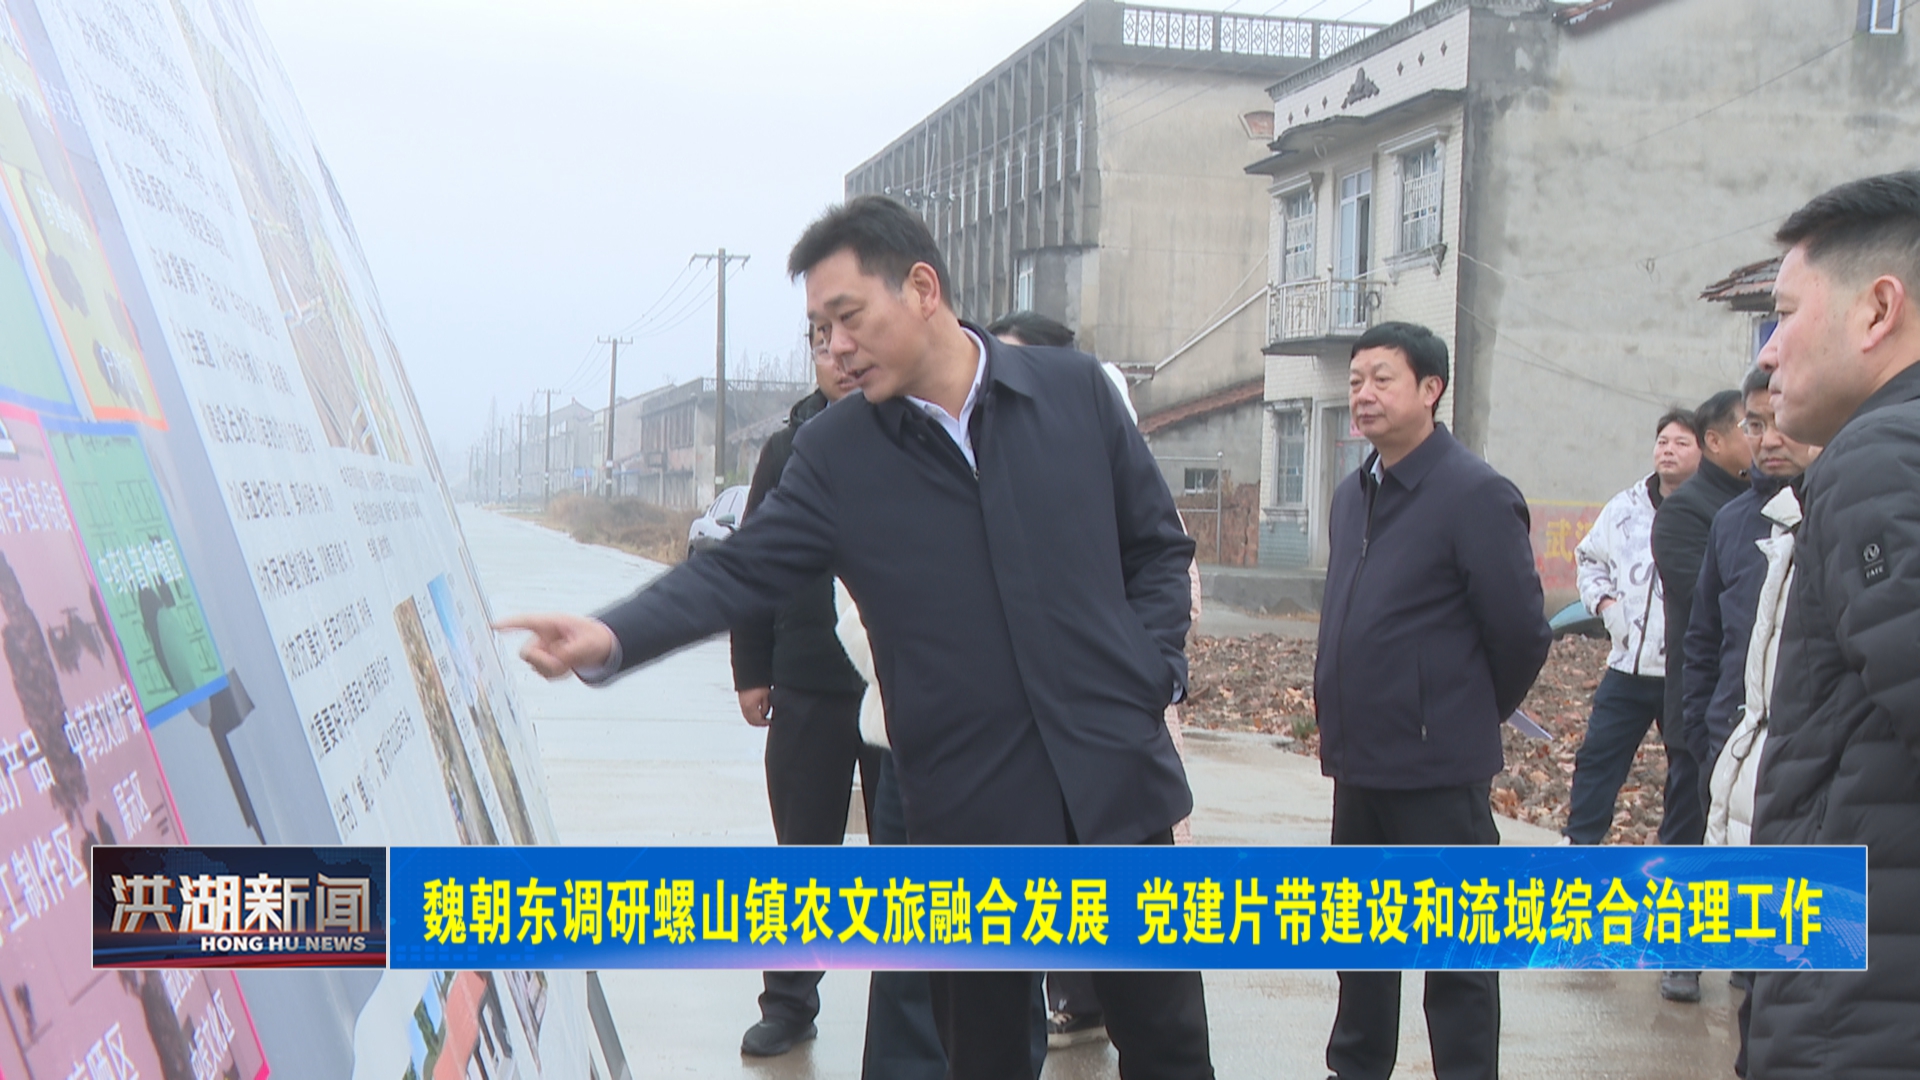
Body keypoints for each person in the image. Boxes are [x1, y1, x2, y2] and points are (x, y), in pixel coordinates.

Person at [499, 195, 1214, 1079]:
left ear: (922, 288)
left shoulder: (1074, 395)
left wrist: (1150, 674)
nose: (834, 347)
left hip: (1118, 796)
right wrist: (612, 634)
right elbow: (739, 570)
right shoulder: (840, 454)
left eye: (848, 318)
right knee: (985, 1058)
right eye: (818, 329)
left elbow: (1157, 548)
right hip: (970, 819)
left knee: (1171, 1049)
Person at [1314, 321, 1552, 1080]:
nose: (1363, 394)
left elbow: (1521, 633)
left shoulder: (1474, 494)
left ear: (1430, 389)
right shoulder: (1354, 494)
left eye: (1382, 379)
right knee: (1359, 945)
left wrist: (1455, 714)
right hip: (1360, 766)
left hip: (1438, 773)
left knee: (1457, 955)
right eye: (1356, 380)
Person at [1748, 171, 1920, 1079]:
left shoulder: (1880, 458)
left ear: (1878, 309)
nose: (1768, 353)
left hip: (1861, 1008)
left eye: (1783, 314)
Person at [729, 326, 887, 1057]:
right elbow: (753, 564)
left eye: (854, 340)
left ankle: (919, 1008)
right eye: (825, 345)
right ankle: (789, 1003)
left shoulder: (914, 437)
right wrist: (752, 669)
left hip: (899, 687)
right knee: (802, 854)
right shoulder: (788, 451)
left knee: (911, 854)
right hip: (809, 682)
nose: (842, 359)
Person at [1645, 388, 1746, 1005]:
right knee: (1688, 826)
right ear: (1716, 441)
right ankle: (1679, 953)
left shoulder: (1772, 505)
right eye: (1749, 426)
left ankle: (1751, 952)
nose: (1761, 438)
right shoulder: (1687, 513)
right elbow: (1718, 605)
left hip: (1759, 705)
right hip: (1702, 701)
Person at [1562, 408, 1701, 846]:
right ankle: (1579, 843)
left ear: (1704, 450)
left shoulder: (1711, 510)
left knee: (1689, 767)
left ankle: (1680, 857)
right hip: (1627, 664)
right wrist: (1605, 605)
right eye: (1663, 441)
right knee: (1599, 755)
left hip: (1685, 669)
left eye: (1681, 443)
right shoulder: (1624, 507)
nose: (1668, 450)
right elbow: (1589, 559)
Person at [1681, 367, 1820, 797]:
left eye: (1782, 422)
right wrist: (1706, 739)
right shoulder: (1730, 522)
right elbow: (1704, 640)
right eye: (1756, 425)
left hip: (1812, 763)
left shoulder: (1839, 510)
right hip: (1730, 752)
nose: (1769, 440)